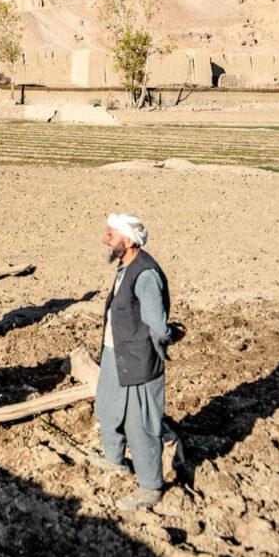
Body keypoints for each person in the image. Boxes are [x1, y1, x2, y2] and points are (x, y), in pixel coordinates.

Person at [89, 212, 185, 512]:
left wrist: (170, 335)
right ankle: (114, 460)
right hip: (115, 355)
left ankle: (150, 487)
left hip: (139, 361)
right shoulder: (126, 266)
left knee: (140, 424)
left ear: (129, 241)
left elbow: (157, 325)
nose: (105, 239)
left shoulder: (145, 275)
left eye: (111, 235)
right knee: (107, 406)